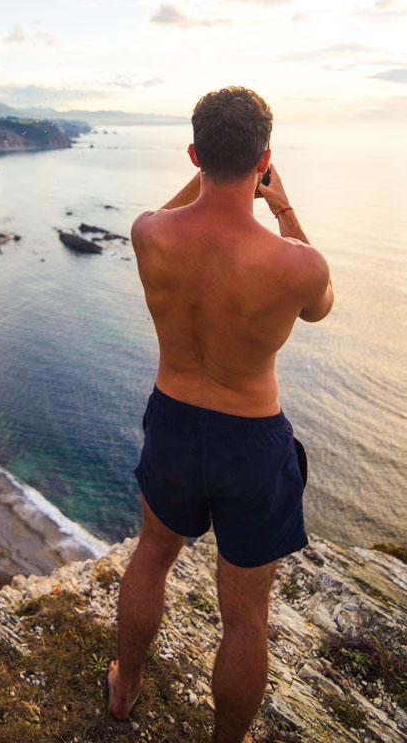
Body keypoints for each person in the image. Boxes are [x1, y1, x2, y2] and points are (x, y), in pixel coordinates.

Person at [107, 86, 334, 743]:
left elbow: (160, 211)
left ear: (193, 153)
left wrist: (209, 172)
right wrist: (281, 202)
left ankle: (125, 687)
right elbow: (319, 306)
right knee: (244, 618)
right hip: (252, 445)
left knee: (151, 556)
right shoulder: (297, 264)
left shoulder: (150, 234)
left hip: (173, 422)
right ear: (265, 158)